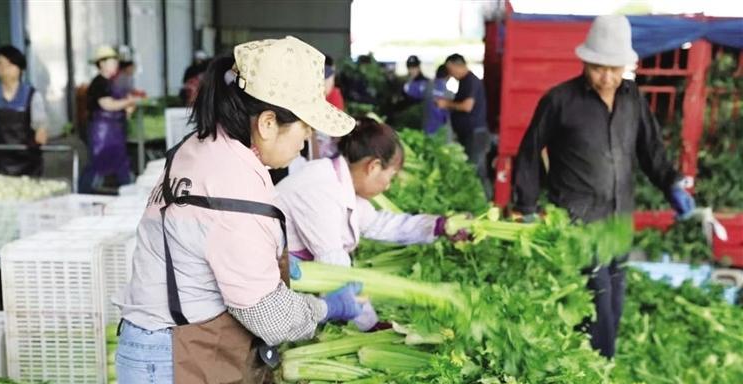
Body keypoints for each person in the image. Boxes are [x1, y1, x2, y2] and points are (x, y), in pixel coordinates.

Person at [112, 36, 361, 384]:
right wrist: (324, 309)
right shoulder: (234, 184)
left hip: (167, 350)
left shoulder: (206, 147)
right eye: (303, 130)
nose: (304, 144)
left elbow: (207, 248)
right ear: (267, 123)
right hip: (175, 362)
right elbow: (268, 314)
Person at [512, 15, 696, 358]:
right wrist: (526, 207)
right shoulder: (559, 101)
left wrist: (671, 183)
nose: (607, 77)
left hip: (618, 218)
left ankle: (595, 362)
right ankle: (597, 372)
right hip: (577, 220)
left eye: (614, 68)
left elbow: (650, 149)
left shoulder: (633, 99)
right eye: (598, 68)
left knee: (614, 296)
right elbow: (528, 152)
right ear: (585, 61)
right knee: (595, 306)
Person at [274, 117, 469, 267]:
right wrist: (363, 314)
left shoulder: (342, 184)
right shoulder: (320, 189)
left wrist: (440, 226)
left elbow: (382, 225)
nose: (388, 186)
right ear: (373, 167)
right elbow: (333, 265)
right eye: (390, 177)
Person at [0, 45, 48, 176]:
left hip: (29, 159)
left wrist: (40, 134)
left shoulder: (31, 95)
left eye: (9, 64)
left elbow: (40, 129)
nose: (3, 68)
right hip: (0, 159)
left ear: (19, 68)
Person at [79, 46, 139, 193]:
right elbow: (107, 105)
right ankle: (83, 195)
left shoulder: (110, 82)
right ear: (102, 64)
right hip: (102, 133)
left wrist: (127, 108)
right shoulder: (99, 83)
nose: (116, 65)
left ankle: (129, 196)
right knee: (98, 165)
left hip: (115, 132)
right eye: (113, 62)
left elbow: (117, 103)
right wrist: (128, 102)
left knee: (121, 165)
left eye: (116, 62)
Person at [437, 54, 490, 197]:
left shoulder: (470, 81)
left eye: (450, 69)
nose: (450, 73)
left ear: (457, 66)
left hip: (475, 134)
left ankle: (485, 201)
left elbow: (467, 106)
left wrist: (446, 104)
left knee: (476, 170)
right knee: (474, 169)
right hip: (470, 133)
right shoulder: (464, 82)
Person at [404, 64, 453, 137]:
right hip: (443, 134)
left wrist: (412, 75)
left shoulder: (425, 86)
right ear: (449, 76)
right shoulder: (450, 94)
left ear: (436, 72)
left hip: (427, 131)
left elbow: (407, 88)